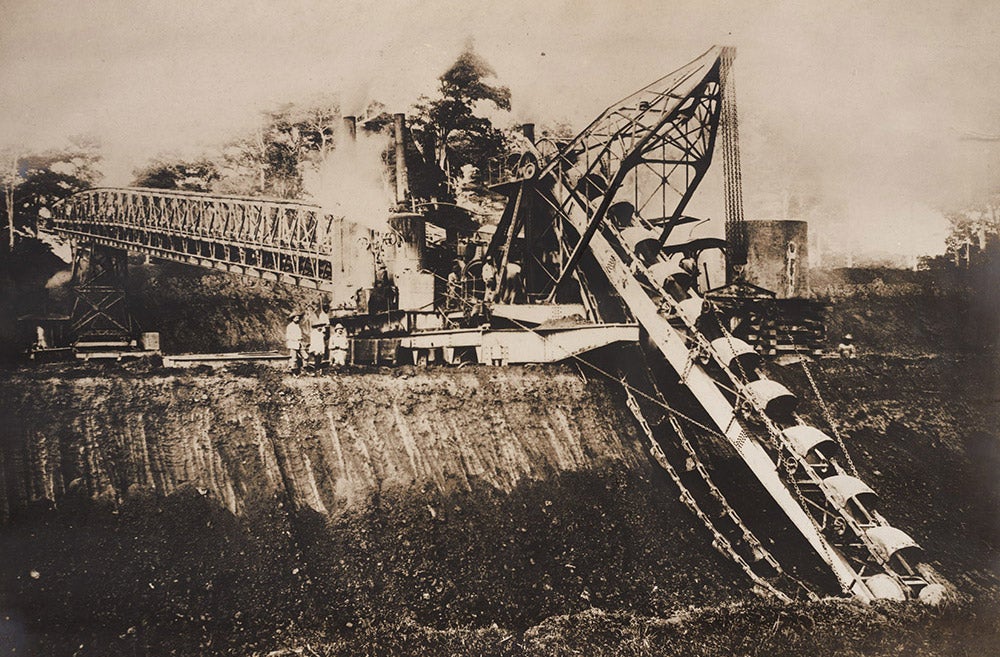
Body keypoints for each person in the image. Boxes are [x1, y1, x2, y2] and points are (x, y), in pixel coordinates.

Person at [308, 306, 328, 371]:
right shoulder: (314, 333)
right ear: (316, 327)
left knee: (319, 359)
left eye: (321, 326)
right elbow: (313, 342)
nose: (320, 327)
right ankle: (316, 370)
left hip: (320, 348)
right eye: (318, 326)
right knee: (316, 358)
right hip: (315, 348)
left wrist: (322, 350)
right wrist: (315, 350)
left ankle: (318, 370)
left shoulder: (321, 333)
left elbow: (321, 343)